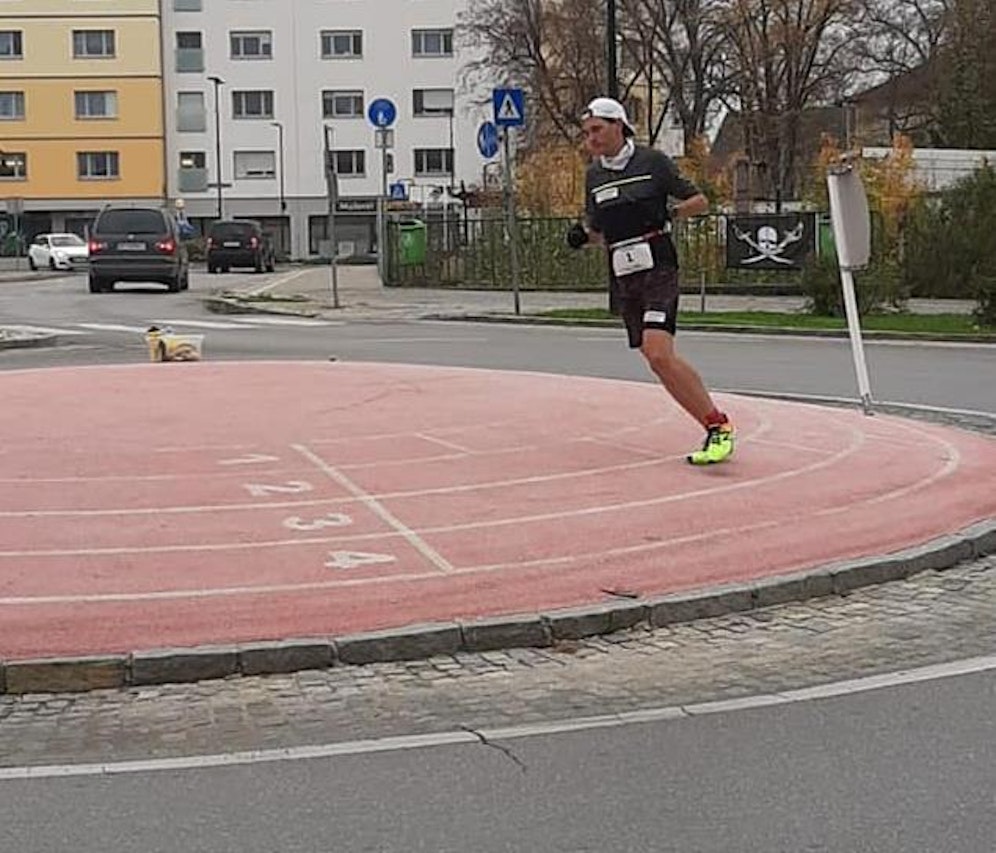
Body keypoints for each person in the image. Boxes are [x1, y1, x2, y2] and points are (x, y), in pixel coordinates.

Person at [566, 96, 734, 465]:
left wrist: (668, 212)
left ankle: (718, 427)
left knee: (659, 351)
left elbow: (700, 201)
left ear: (618, 126)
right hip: (623, 271)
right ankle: (712, 424)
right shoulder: (594, 174)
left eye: (596, 130)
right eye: (586, 133)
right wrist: (582, 236)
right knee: (655, 359)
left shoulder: (652, 162)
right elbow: (599, 229)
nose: (591, 139)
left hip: (658, 264)